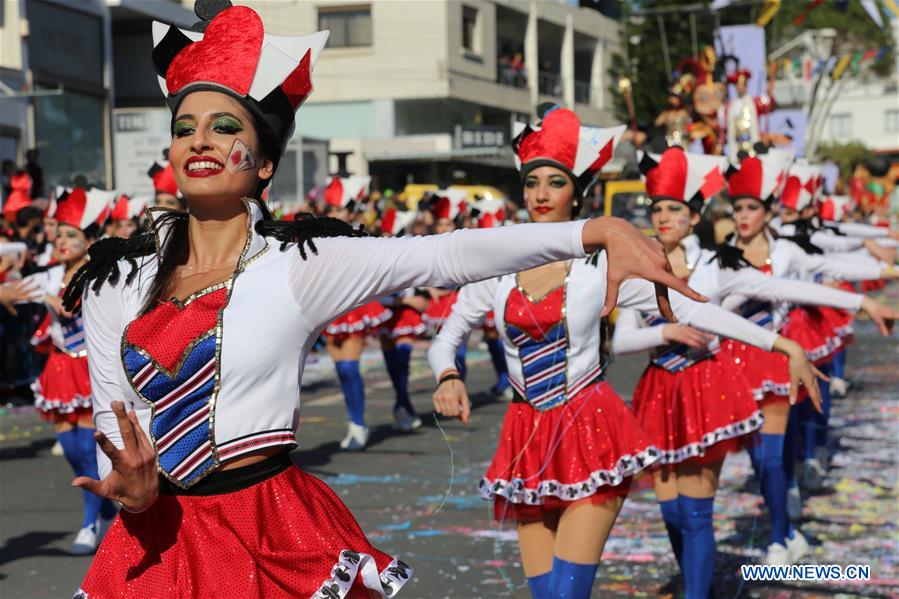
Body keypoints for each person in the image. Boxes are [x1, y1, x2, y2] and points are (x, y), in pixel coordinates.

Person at [62, 5, 700, 597]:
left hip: (270, 529)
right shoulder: (115, 279)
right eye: (184, 128)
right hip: (157, 540)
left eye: (224, 126)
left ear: (263, 162)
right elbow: (111, 420)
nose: (199, 140)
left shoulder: (301, 265)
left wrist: (595, 231)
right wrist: (134, 497)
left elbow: (443, 255)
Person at [426, 108, 815, 599]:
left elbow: (690, 310)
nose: (541, 194)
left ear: (577, 191)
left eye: (555, 182)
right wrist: (447, 375)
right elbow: (446, 338)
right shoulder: (496, 270)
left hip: (590, 434)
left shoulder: (602, 267)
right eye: (532, 183)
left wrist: (780, 343)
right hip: (524, 439)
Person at [611, 147, 888, 595]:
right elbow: (620, 341)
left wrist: (864, 299)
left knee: (713, 501)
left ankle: (769, 541)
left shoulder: (718, 266)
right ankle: (699, 577)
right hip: (658, 395)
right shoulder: (638, 269)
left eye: (674, 209)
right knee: (672, 515)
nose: (663, 217)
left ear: (693, 215)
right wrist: (666, 335)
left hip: (709, 386)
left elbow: (789, 285)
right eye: (657, 208)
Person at [722, 153, 898, 565]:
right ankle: (787, 520)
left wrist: (871, 283)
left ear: (767, 211)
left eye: (752, 208)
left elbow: (830, 262)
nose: (744, 215)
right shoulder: (723, 253)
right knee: (759, 456)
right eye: (739, 208)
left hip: (778, 358)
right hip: (731, 365)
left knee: (769, 455)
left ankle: (779, 539)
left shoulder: (787, 251)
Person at [19, 187, 118, 554]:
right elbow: (14, 288)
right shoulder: (48, 277)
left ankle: (90, 523)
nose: (61, 240)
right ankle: (104, 505)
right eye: (59, 233)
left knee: (91, 449)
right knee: (70, 448)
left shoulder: (101, 275)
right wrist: (42, 296)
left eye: (71, 234)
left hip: (92, 368)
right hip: (60, 370)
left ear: (89, 240)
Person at [320, 175, 393, 451]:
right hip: (329, 308)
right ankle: (354, 422)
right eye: (333, 210)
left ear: (351, 211)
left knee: (351, 368)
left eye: (341, 210)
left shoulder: (360, 236)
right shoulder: (318, 235)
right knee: (341, 369)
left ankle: (359, 424)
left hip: (352, 308)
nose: (337, 214)